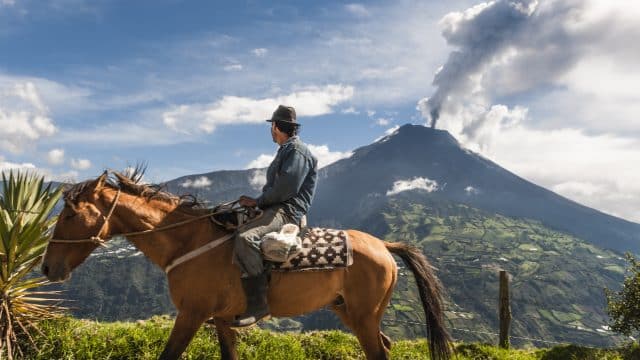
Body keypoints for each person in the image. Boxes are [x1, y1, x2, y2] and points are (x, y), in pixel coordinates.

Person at [231, 105, 318, 327]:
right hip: (275, 208)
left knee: (245, 238)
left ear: (276, 127)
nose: (271, 131)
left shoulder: (297, 151)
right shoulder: (287, 149)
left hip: (287, 212)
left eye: (271, 126)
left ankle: (259, 304)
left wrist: (258, 202)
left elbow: (286, 189)